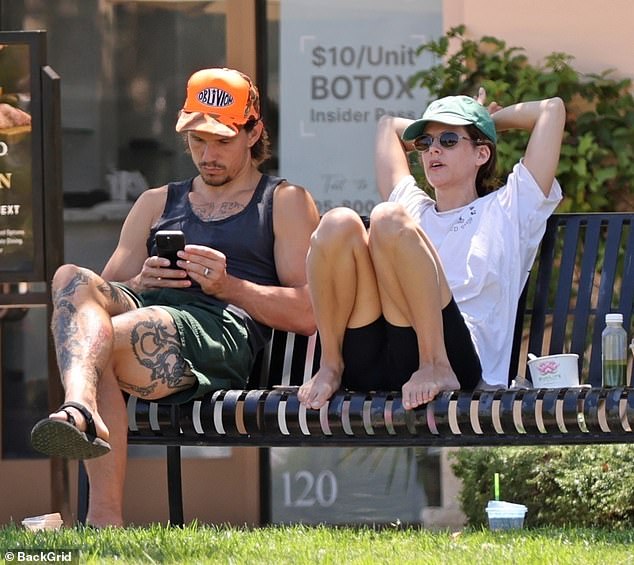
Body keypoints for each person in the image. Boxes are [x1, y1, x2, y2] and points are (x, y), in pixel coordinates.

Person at [31, 67, 320, 526]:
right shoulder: (156, 201)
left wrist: (229, 286)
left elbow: (308, 313)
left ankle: (102, 513)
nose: (208, 154)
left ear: (254, 133)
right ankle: (80, 406)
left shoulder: (282, 202)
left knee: (110, 334)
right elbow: (96, 298)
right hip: (152, 313)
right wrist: (144, 281)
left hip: (222, 329)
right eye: (197, 140)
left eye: (223, 141)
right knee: (70, 276)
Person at [298, 90, 565, 411]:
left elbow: (551, 110)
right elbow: (387, 127)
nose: (433, 149)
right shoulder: (415, 208)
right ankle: (330, 364)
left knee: (386, 217)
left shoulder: (511, 208)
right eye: (426, 143)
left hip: (458, 363)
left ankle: (433, 362)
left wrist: (485, 122)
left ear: (482, 154)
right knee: (337, 222)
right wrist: (458, 129)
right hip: (380, 354)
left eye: (449, 140)